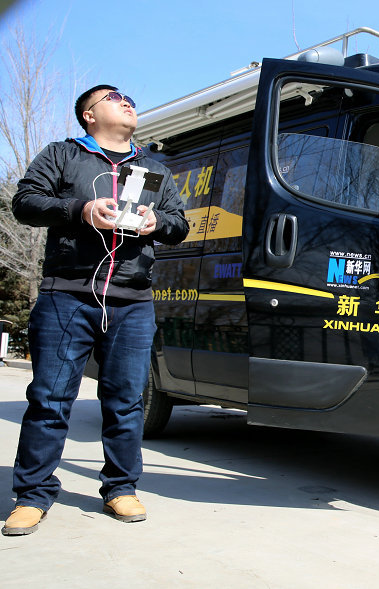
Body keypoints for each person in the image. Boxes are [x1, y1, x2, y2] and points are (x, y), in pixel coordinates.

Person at [2, 84, 189, 536]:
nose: (127, 101)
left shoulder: (154, 168)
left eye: (131, 99)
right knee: (49, 399)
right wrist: (80, 209)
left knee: (126, 401)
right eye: (114, 97)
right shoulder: (63, 155)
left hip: (132, 300)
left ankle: (121, 487)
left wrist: (157, 222)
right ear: (88, 114)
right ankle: (32, 495)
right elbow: (25, 202)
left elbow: (180, 224)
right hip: (66, 295)